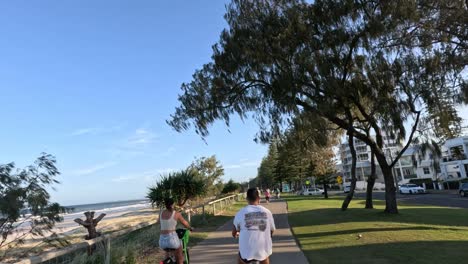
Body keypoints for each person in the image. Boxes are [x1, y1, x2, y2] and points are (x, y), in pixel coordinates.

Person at [232, 188, 276, 264]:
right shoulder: (267, 212)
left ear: (247, 199)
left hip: (246, 251)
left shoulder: (240, 213)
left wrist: (235, 234)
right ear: (259, 198)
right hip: (262, 250)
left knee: (240, 259)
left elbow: (234, 231)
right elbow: (272, 230)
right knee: (265, 257)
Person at [159, 198, 193, 264]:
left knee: (167, 251)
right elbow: (184, 223)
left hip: (162, 240)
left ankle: (166, 261)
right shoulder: (176, 213)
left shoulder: (161, 213)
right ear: (172, 204)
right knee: (179, 255)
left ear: (165, 205)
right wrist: (190, 228)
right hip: (172, 239)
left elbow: (159, 221)